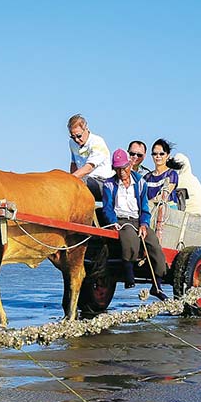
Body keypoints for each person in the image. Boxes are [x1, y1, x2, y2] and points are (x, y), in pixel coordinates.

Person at [102, 149, 167, 299]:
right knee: (129, 237)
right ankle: (128, 273)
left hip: (137, 219)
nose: (121, 172)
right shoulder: (109, 185)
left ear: (130, 165)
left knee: (153, 243)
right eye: (117, 169)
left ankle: (157, 284)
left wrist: (144, 224)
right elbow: (107, 208)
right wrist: (112, 222)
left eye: (123, 168)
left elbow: (145, 208)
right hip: (121, 220)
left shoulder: (140, 182)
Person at [67, 114, 113, 201]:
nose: (76, 140)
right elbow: (73, 164)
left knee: (76, 183)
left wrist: (70, 179)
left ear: (86, 129)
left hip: (102, 182)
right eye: (73, 137)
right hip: (83, 178)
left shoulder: (97, 142)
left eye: (79, 136)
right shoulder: (72, 143)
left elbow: (88, 168)